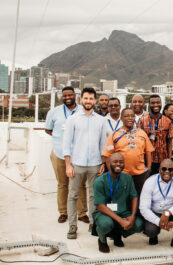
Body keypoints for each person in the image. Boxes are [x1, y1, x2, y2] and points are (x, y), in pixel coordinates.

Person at [63, 87, 107, 239]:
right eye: (85, 98)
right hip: (76, 163)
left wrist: (103, 162)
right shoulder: (72, 119)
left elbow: (103, 143)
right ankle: (72, 226)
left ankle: (93, 224)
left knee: (94, 195)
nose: (88, 101)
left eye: (91, 98)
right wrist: (68, 164)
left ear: (95, 101)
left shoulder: (101, 120)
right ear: (81, 100)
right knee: (73, 195)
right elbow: (66, 143)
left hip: (95, 163)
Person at [44, 86, 88, 224]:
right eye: (65, 95)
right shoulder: (54, 112)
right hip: (59, 153)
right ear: (61, 97)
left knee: (80, 184)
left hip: (78, 154)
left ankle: (81, 213)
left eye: (70, 95)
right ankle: (63, 212)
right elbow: (48, 129)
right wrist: (62, 139)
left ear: (75, 95)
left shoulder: (83, 111)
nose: (67, 97)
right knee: (62, 184)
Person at [92, 153, 143, 253]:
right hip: (104, 213)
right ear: (108, 163)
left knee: (139, 224)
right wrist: (120, 221)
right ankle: (102, 240)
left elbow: (134, 197)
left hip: (123, 212)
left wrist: (132, 215)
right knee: (106, 224)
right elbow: (100, 206)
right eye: (115, 162)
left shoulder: (128, 178)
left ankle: (117, 234)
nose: (118, 164)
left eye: (121, 162)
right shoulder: (99, 181)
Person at [139, 159, 173, 250]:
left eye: (170, 169)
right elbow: (144, 208)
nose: (167, 172)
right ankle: (154, 236)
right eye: (164, 169)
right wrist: (158, 221)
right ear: (159, 170)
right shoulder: (150, 181)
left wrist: (168, 212)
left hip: (171, 212)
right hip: (155, 212)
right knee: (151, 231)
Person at [102, 108, 153, 196]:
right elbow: (107, 155)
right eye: (126, 116)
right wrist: (112, 172)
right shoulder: (114, 135)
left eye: (132, 116)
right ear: (121, 118)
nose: (130, 118)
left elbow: (148, 152)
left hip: (140, 174)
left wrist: (148, 169)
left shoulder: (141, 133)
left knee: (138, 197)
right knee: (122, 197)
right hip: (121, 173)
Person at [138, 95, 173, 174]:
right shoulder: (142, 120)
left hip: (163, 159)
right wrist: (148, 133)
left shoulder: (167, 121)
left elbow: (169, 141)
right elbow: (139, 141)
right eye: (153, 103)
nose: (155, 105)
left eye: (158, 102)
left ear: (161, 104)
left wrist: (170, 158)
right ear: (149, 104)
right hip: (147, 159)